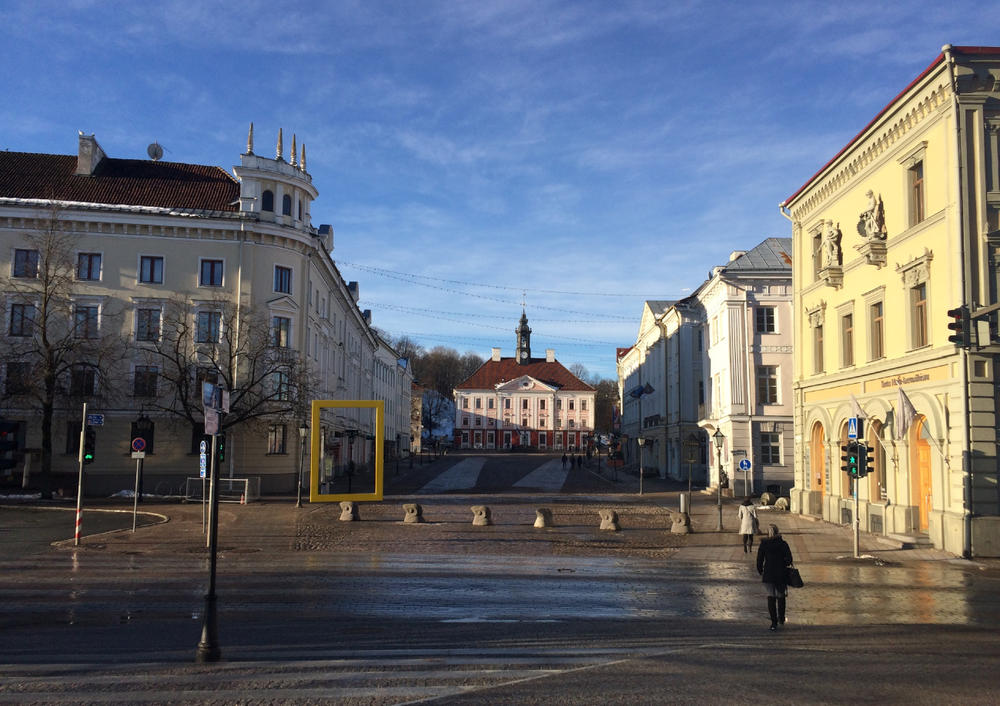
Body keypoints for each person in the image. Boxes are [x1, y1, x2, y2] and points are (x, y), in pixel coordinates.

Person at [756, 523, 793, 631]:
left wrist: (760, 570)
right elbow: (789, 559)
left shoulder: (764, 544)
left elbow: (759, 560)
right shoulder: (783, 544)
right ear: (777, 532)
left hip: (768, 573)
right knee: (781, 596)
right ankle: (781, 618)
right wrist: (784, 563)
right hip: (781, 573)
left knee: (771, 597)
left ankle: (773, 622)